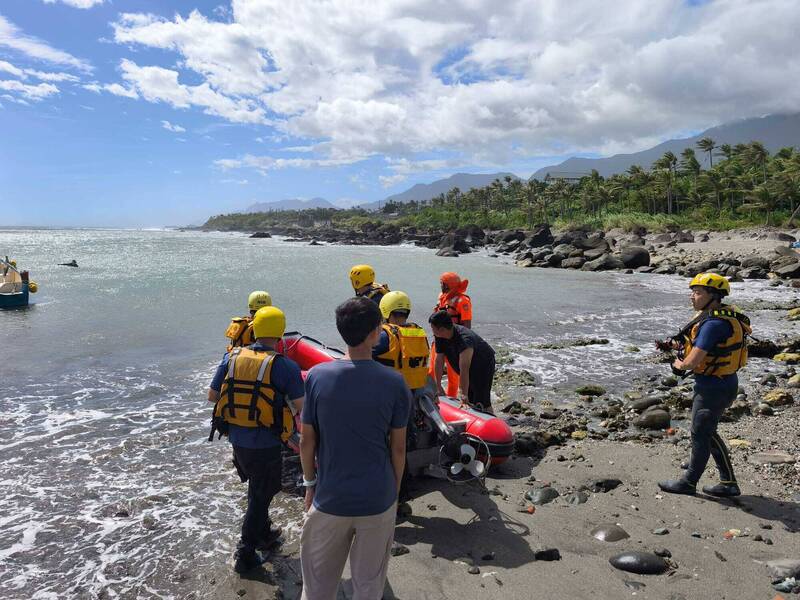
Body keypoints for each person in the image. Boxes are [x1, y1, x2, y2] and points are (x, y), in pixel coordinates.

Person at [299, 297, 410, 600]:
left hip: (330, 498)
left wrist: (310, 485)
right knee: (368, 588)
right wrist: (394, 492)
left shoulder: (318, 377)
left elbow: (307, 441)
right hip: (378, 498)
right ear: (376, 332)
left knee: (317, 588)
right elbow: (397, 449)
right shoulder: (394, 382)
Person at [208, 306, 305, 573]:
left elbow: (212, 396)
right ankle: (246, 551)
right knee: (262, 495)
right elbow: (302, 405)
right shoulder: (285, 366)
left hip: (237, 440)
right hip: (267, 444)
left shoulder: (232, 357)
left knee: (258, 489)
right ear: (280, 333)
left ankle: (264, 533)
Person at [658, 273, 751, 498]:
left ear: (714, 297)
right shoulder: (716, 316)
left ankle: (689, 482)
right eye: (693, 292)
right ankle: (728, 483)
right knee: (707, 432)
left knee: (700, 433)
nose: (692, 297)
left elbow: (692, 362)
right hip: (724, 383)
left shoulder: (714, 324)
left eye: (697, 293)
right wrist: (675, 343)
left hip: (713, 388)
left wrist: (677, 364)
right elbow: (694, 340)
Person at [429, 310, 496, 414]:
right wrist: (437, 385)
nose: (432, 331)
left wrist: (463, 394)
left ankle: (491, 419)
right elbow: (439, 361)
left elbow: (464, 369)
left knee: (481, 399)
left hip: (483, 364)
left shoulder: (464, 339)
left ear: (441, 329)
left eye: (432, 328)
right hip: (465, 365)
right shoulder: (440, 336)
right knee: (471, 398)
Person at [431, 272, 472, 397]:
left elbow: (467, 325)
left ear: (448, 285)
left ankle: (452, 398)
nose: (440, 285)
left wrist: (460, 345)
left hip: (454, 341)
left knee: (453, 374)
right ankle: (433, 392)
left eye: (442, 283)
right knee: (432, 369)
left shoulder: (462, 301)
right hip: (439, 338)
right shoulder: (442, 298)